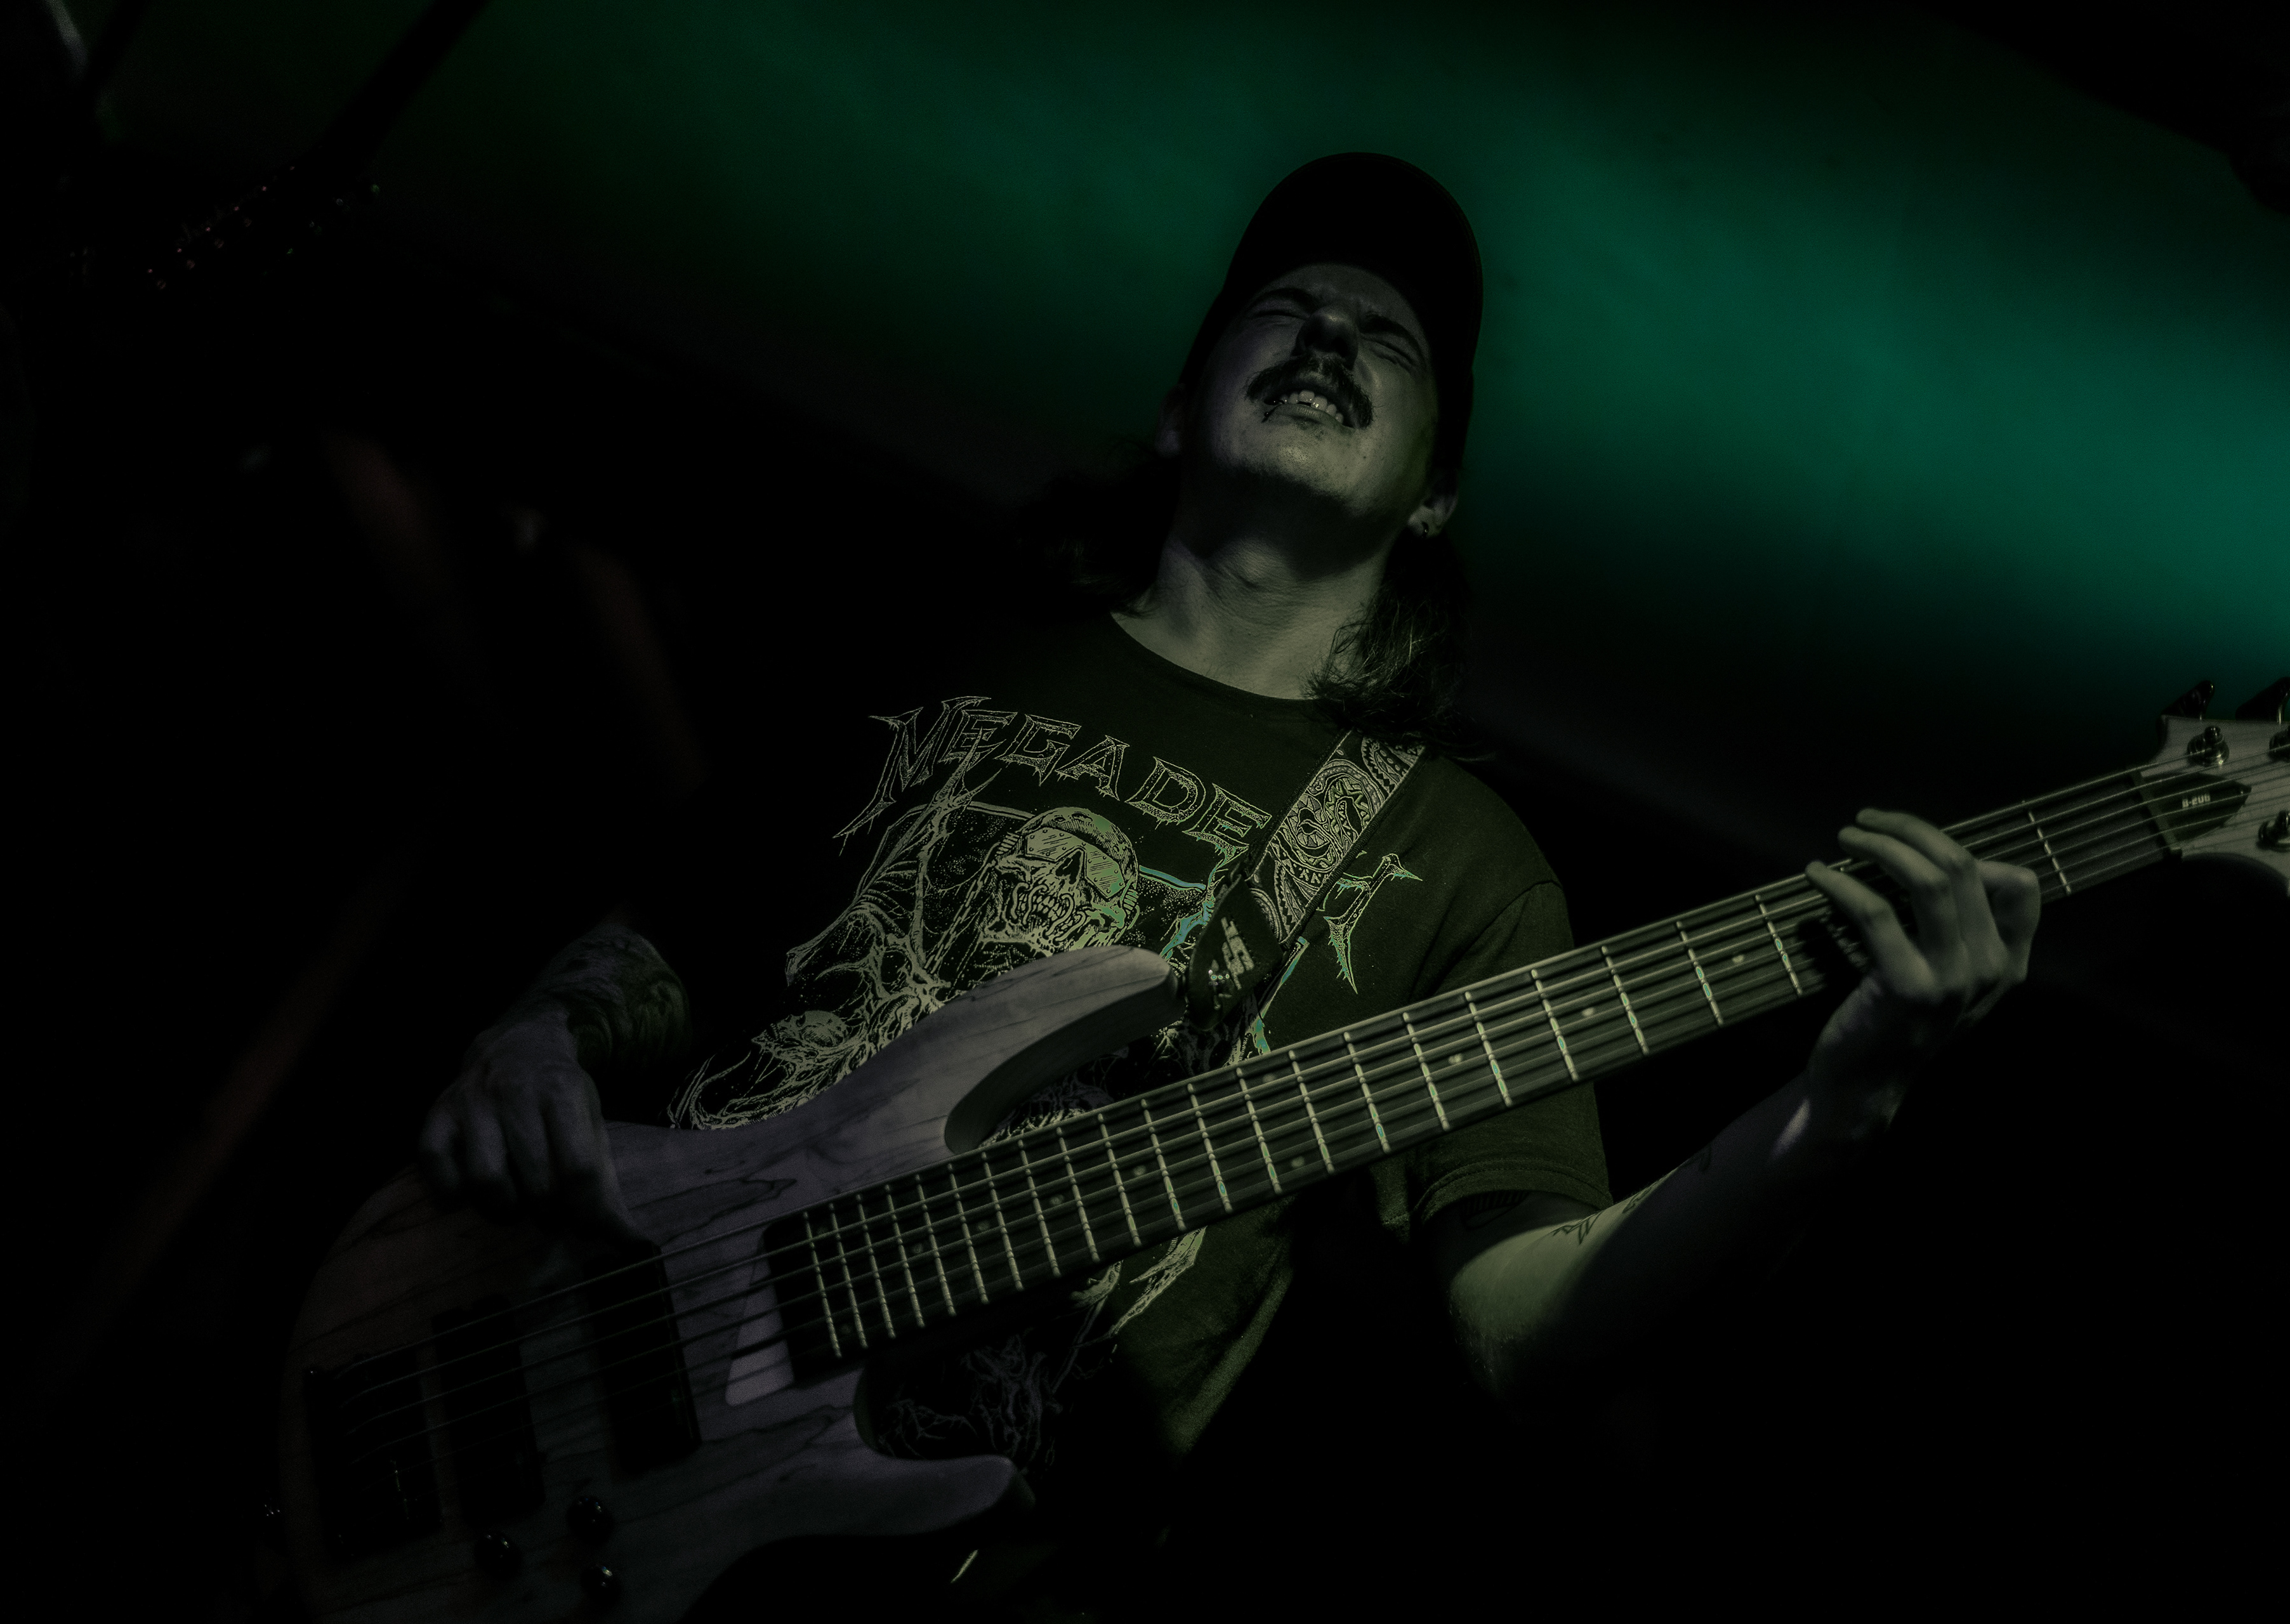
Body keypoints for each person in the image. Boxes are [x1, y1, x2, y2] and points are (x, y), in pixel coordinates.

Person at [417, 154, 2040, 1608]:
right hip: (577, 1374)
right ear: (1178, 408)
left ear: (1438, 490)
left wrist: (1843, 1106)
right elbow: (672, 930)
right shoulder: (941, 647)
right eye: (1284, 308)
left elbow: (1523, 1330)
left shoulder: (1462, 862)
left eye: (1389, 339)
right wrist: (536, 1035)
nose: (1331, 335)